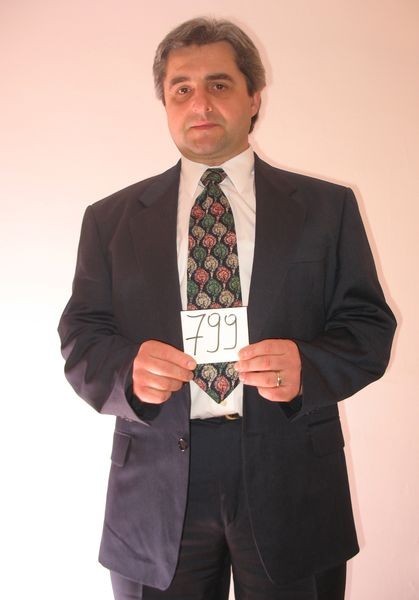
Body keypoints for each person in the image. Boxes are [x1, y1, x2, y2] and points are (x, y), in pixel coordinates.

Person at [58, 17, 396, 600]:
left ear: (253, 97)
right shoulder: (110, 221)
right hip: (156, 486)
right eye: (181, 89)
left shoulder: (326, 209)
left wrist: (307, 367)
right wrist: (127, 374)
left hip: (292, 474)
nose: (200, 103)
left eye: (219, 84)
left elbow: (368, 327)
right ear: (165, 104)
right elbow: (81, 337)